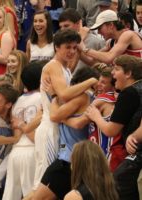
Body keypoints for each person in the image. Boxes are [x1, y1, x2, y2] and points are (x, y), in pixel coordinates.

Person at [31, 29, 98, 195]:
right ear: (56, 47)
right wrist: (90, 80)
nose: (72, 51)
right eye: (68, 47)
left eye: (75, 48)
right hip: (49, 128)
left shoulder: (66, 69)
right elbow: (64, 95)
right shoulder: (53, 66)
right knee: (42, 186)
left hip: (57, 127)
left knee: (50, 188)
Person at [86, 55, 142, 200]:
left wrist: (96, 116)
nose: (112, 73)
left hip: (135, 151)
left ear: (128, 73)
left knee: (118, 181)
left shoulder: (129, 93)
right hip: (134, 147)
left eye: (116, 69)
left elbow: (111, 130)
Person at [2, 61, 43, 200]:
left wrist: (21, 125)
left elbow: (16, 133)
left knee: (10, 196)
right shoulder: (43, 99)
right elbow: (33, 136)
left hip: (15, 152)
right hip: (32, 151)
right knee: (31, 195)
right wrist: (24, 126)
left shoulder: (17, 100)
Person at [58, 8, 105, 73]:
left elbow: (101, 66)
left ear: (78, 24)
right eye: (61, 27)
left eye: (66, 26)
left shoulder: (96, 41)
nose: (63, 30)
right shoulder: (60, 43)